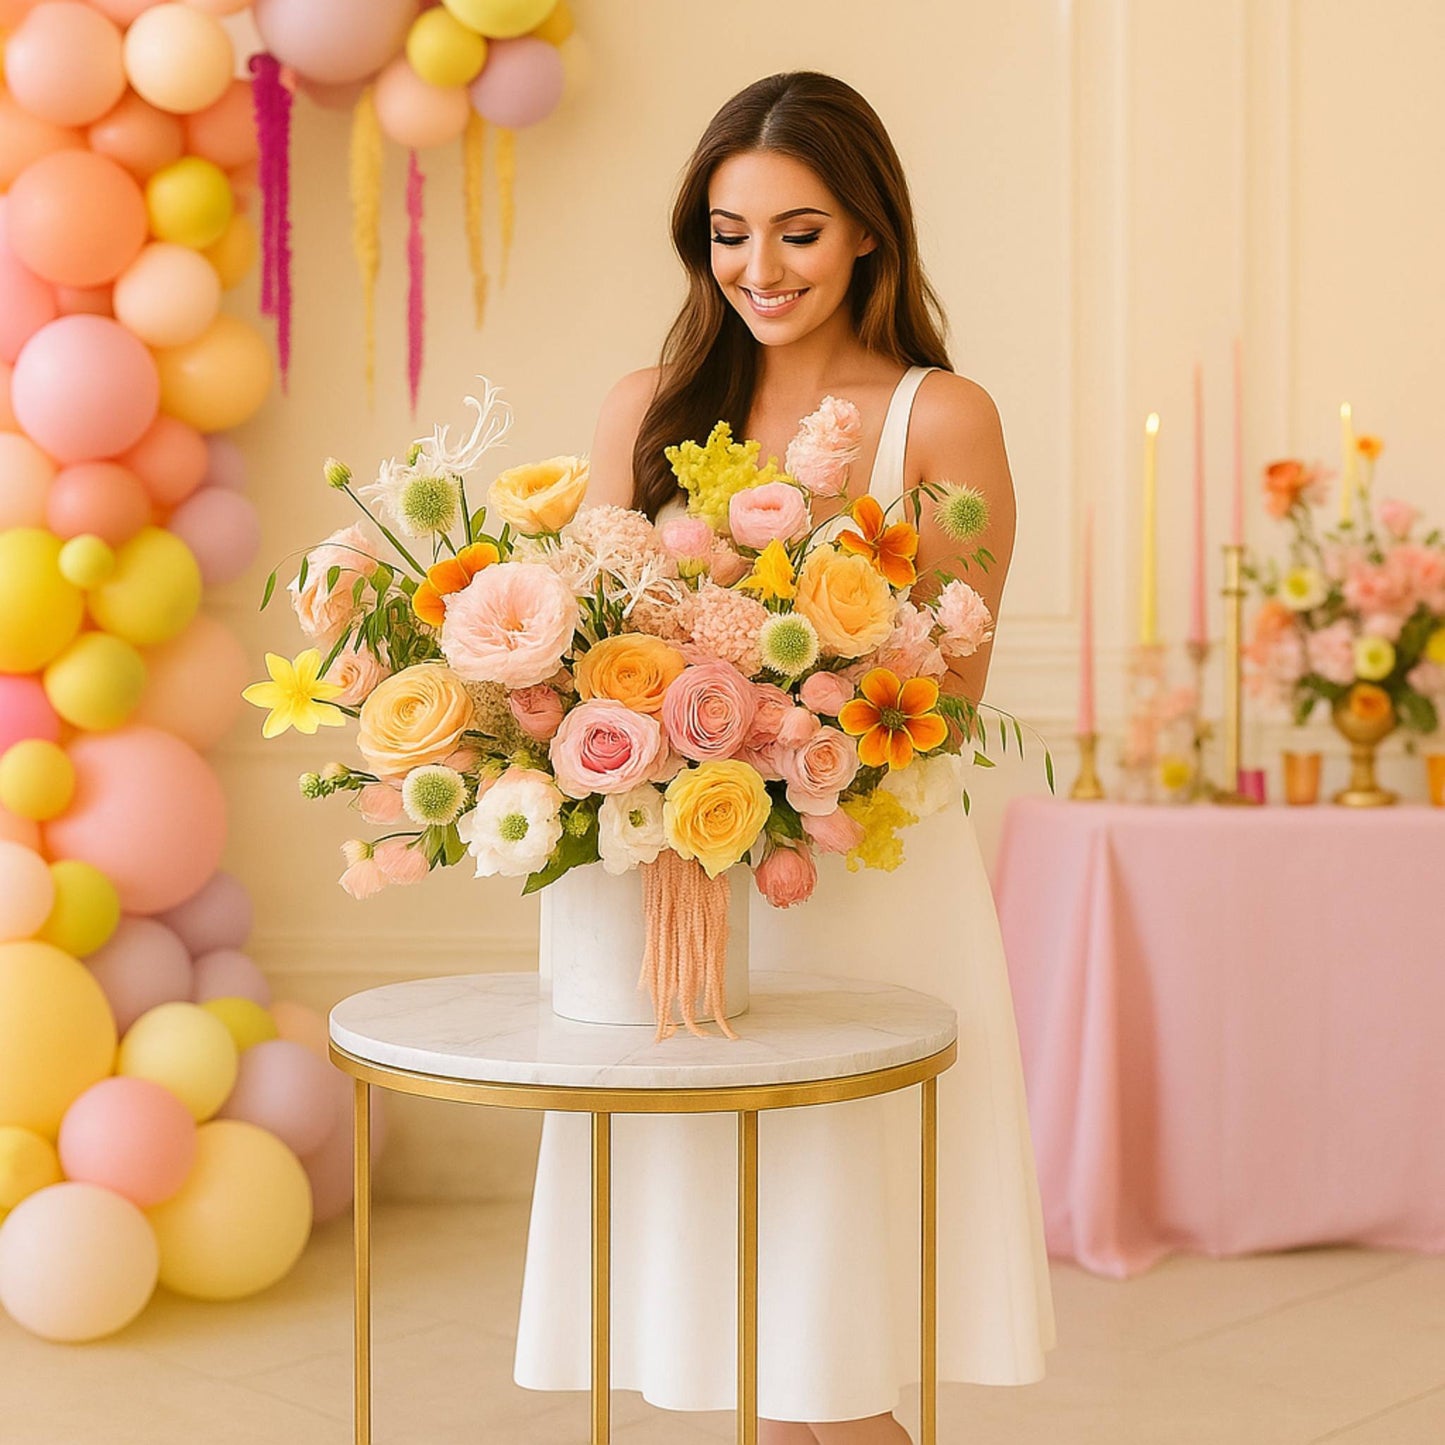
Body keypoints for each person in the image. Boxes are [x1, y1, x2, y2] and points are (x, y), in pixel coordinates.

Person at [513, 70, 1056, 1443]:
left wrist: (773, 690)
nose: (759, 267)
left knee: (826, 1326)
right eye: (726, 231)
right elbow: (589, 638)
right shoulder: (648, 402)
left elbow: (949, 687)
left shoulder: (940, 419)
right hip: (682, 881)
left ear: (868, 229)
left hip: (860, 883)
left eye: (798, 230)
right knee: (729, 1322)